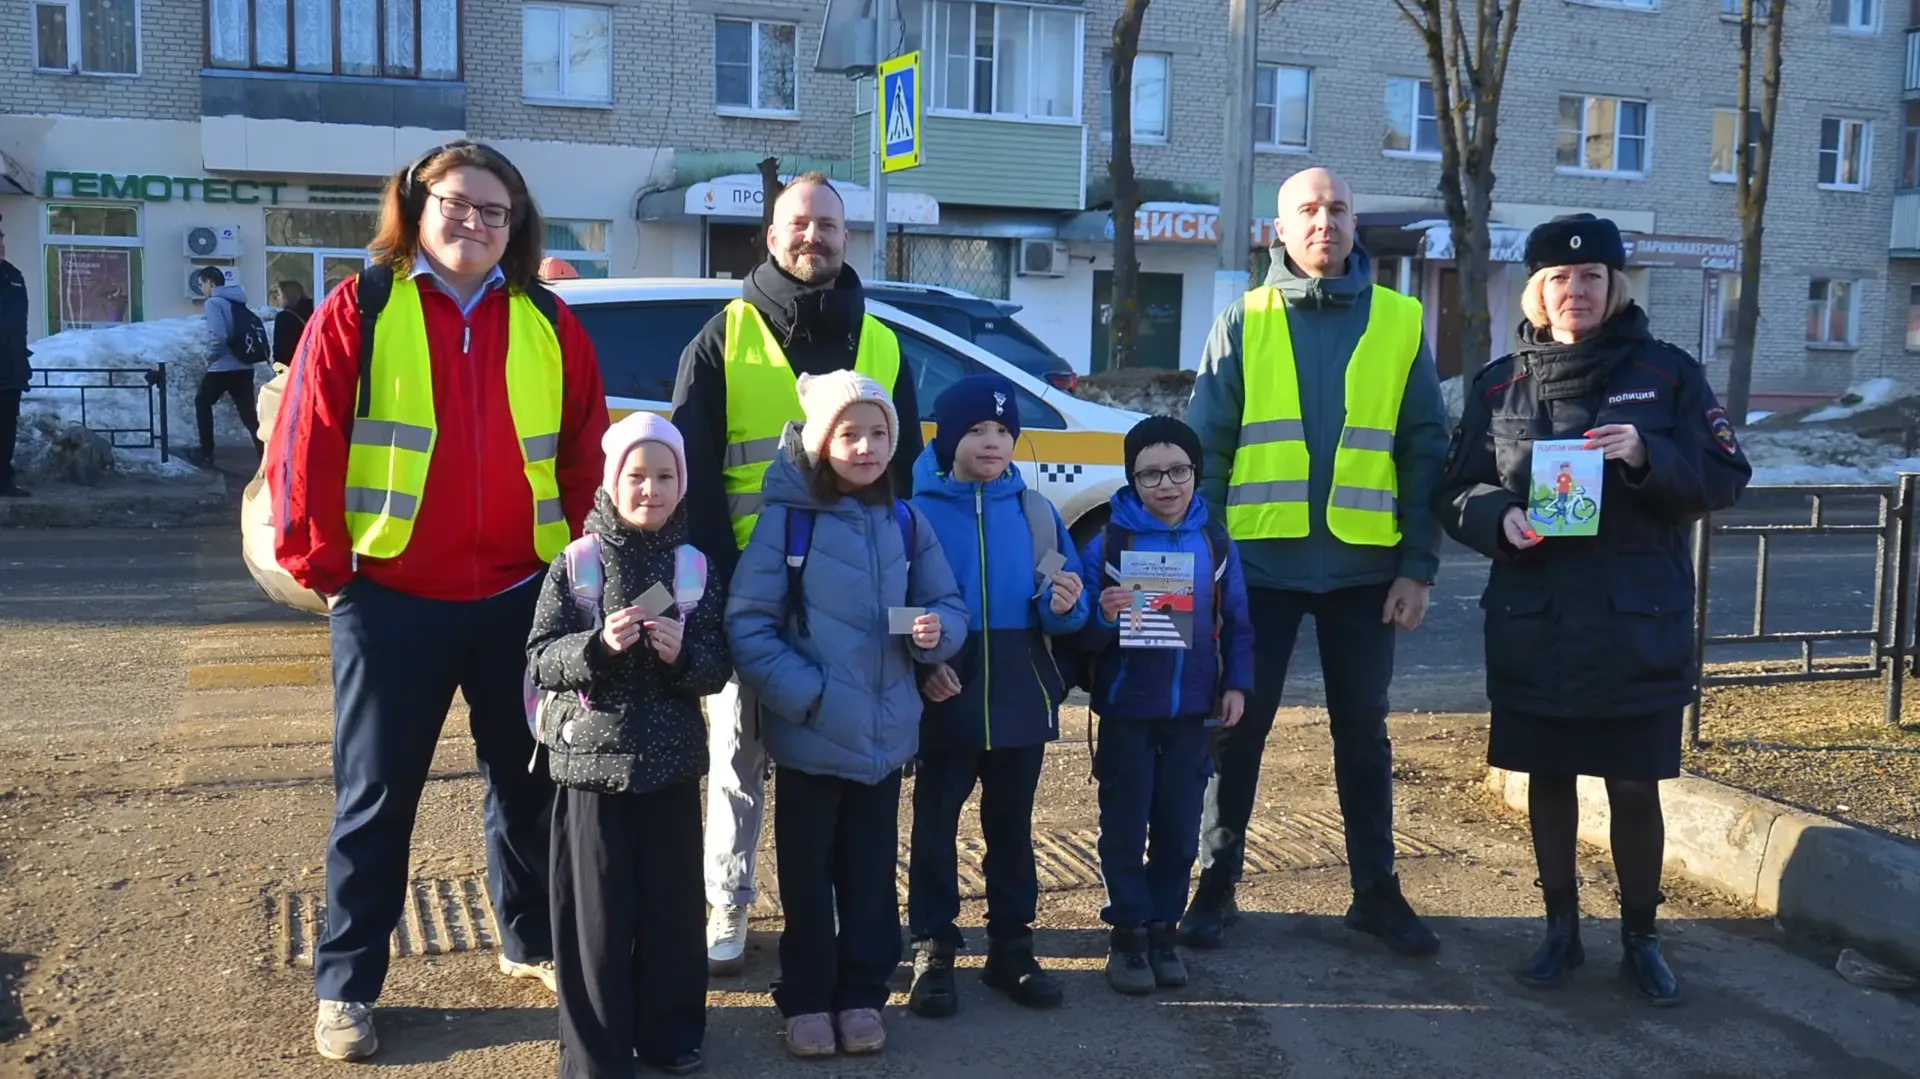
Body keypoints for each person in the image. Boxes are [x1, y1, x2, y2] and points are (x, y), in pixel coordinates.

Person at [266, 140, 610, 1061]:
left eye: (495, 211)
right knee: (376, 797)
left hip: (521, 597)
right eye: (456, 203)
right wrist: (327, 567)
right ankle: (346, 984)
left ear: (516, 225)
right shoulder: (363, 306)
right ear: (416, 207)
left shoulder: (546, 319)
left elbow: (584, 451)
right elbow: (308, 439)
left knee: (528, 782)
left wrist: (581, 569)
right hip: (390, 597)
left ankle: (529, 939)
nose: (474, 222)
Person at [1435, 214, 1750, 1006]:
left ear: (1614, 286)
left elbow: (1725, 474)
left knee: (1635, 785)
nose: (1575, 290)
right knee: (1549, 778)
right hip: (1536, 620)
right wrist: (1498, 516)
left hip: (1634, 622)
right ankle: (1560, 929)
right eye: (1559, 278)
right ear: (1536, 289)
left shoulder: (1667, 373)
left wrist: (1647, 454)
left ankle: (1642, 938)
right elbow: (1455, 488)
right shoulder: (1499, 384)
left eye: (1591, 277)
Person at [1182, 167, 1450, 956]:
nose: (1324, 221)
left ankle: (1375, 890)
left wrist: (1417, 566)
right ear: (1281, 228)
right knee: (1236, 730)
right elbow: (1207, 454)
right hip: (1256, 573)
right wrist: (1209, 567)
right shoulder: (1245, 318)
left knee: (1363, 734)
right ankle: (1216, 882)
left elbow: (1424, 450)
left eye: (1337, 208)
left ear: (1354, 223)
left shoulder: (1400, 319)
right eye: (1308, 209)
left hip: (1366, 574)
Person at [669, 172, 924, 973]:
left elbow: (903, 481)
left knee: (852, 764)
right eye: (799, 224)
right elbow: (693, 480)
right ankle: (728, 901)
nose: (814, 236)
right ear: (772, 237)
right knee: (737, 759)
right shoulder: (723, 336)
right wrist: (719, 597)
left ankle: (850, 912)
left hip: (854, 598)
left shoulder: (882, 342)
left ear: (847, 237)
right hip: (754, 597)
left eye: (829, 225)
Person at [726, 370, 964, 1058]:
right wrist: (812, 697)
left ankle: (862, 994)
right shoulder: (787, 521)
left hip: (885, 743)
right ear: (820, 442)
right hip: (811, 741)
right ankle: (805, 997)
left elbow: (948, 605)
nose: (865, 447)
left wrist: (935, 636)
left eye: (879, 433)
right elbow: (748, 625)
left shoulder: (907, 521)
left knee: (870, 877)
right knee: (806, 881)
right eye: (849, 433)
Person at [527, 412, 730, 1077]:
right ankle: (595, 1054)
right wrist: (596, 647)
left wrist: (681, 657)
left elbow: (716, 666)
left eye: (665, 476)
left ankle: (671, 1036)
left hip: (671, 769)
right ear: (612, 481)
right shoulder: (577, 563)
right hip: (590, 772)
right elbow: (540, 658)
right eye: (636, 476)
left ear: (682, 483)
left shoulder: (695, 567)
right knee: (595, 925)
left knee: (674, 918)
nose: (651, 489)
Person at [904, 373, 1088, 1018]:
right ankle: (933, 949)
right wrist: (921, 666)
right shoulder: (913, 514)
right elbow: (892, 610)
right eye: (978, 429)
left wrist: (1065, 605)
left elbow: (1066, 597)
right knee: (934, 829)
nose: (992, 442)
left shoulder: (1035, 514)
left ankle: (1012, 949)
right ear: (948, 437)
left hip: (1019, 698)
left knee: (1011, 829)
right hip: (945, 697)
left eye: (1005, 431)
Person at [1076, 416, 1253, 995]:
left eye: (1178, 470)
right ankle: (1127, 933)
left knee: (1178, 830)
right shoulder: (1109, 544)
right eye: (1149, 474)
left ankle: (1161, 929)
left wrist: (1236, 686)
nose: (1166, 484)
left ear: (1196, 473)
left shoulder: (1215, 543)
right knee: (1124, 828)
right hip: (1126, 712)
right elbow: (1078, 633)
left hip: (1191, 715)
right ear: (1131, 479)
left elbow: (1238, 624)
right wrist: (1104, 615)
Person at [192, 266, 264, 466]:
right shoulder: (237, 300)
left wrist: (210, 356)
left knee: (202, 402)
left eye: (201, 284)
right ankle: (266, 454)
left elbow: (219, 335)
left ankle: (206, 453)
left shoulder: (214, 302)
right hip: (244, 366)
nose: (201, 289)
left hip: (222, 366)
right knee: (248, 414)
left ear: (210, 283)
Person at [0, 214, 29, 499]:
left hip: (10, 367)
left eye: (1, 243)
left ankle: (3, 481)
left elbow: (20, 322)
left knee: (6, 428)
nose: (1, 247)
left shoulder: (13, 276)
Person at [271, 280, 313, 368]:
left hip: (292, 366)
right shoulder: (312, 312)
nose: (277, 298)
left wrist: (278, 368)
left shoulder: (284, 317)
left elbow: (280, 349)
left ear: (288, 296)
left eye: (279, 294)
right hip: (311, 363)